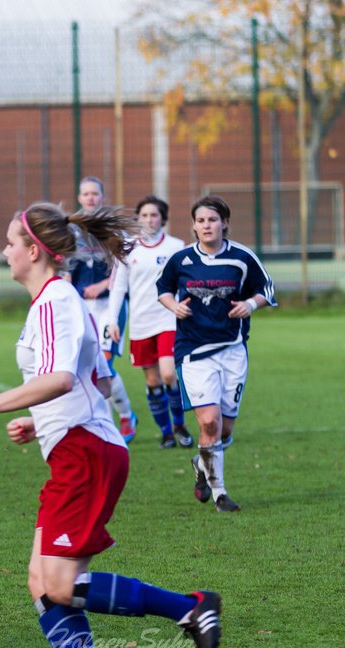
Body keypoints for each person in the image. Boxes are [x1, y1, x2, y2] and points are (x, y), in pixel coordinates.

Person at [0, 201, 221, 648]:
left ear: (35, 251)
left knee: (58, 585)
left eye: (11, 242)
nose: (4, 251)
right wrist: (41, 422)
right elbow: (93, 378)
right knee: (41, 583)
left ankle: (189, 607)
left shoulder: (55, 301)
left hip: (85, 454)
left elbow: (59, 379)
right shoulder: (57, 301)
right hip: (75, 445)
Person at [157, 195, 275, 512]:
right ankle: (220, 493)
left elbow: (267, 289)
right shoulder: (181, 261)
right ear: (194, 226)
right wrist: (173, 305)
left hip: (233, 350)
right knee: (208, 422)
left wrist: (250, 304)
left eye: (212, 220)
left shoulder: (241, 257)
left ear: (224, 223)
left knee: (223, 430)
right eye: (201, 221)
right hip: (193, 351)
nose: (206, 225)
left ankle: (202, 464)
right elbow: (163, 288)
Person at [104, 195, 193, 449]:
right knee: (152, 381)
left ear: (162, 218)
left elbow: (187, 280)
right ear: (138, 219)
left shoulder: (175, 246)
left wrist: (186, 304)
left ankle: (180, 426)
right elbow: (118, 288)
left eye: (154, 215)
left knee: (168, 374)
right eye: (144, 215)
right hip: (141, 324)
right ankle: (166, 433)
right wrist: (113, 321)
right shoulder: (128, 247)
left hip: (168, 320)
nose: (149, 220)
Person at [69, 177, 137, 444]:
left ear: (102, 196)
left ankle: (119, 419)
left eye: (95, 193)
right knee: (89, 365)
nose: (90, 198)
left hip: (111, 305)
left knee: (105, 362)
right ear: (79, 197)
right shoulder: (72, 229)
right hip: (82, 306)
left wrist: (102, 285)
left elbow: (126, 264)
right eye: (85, 194)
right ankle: (114, 419)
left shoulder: (113, 228)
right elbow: (63, 267)